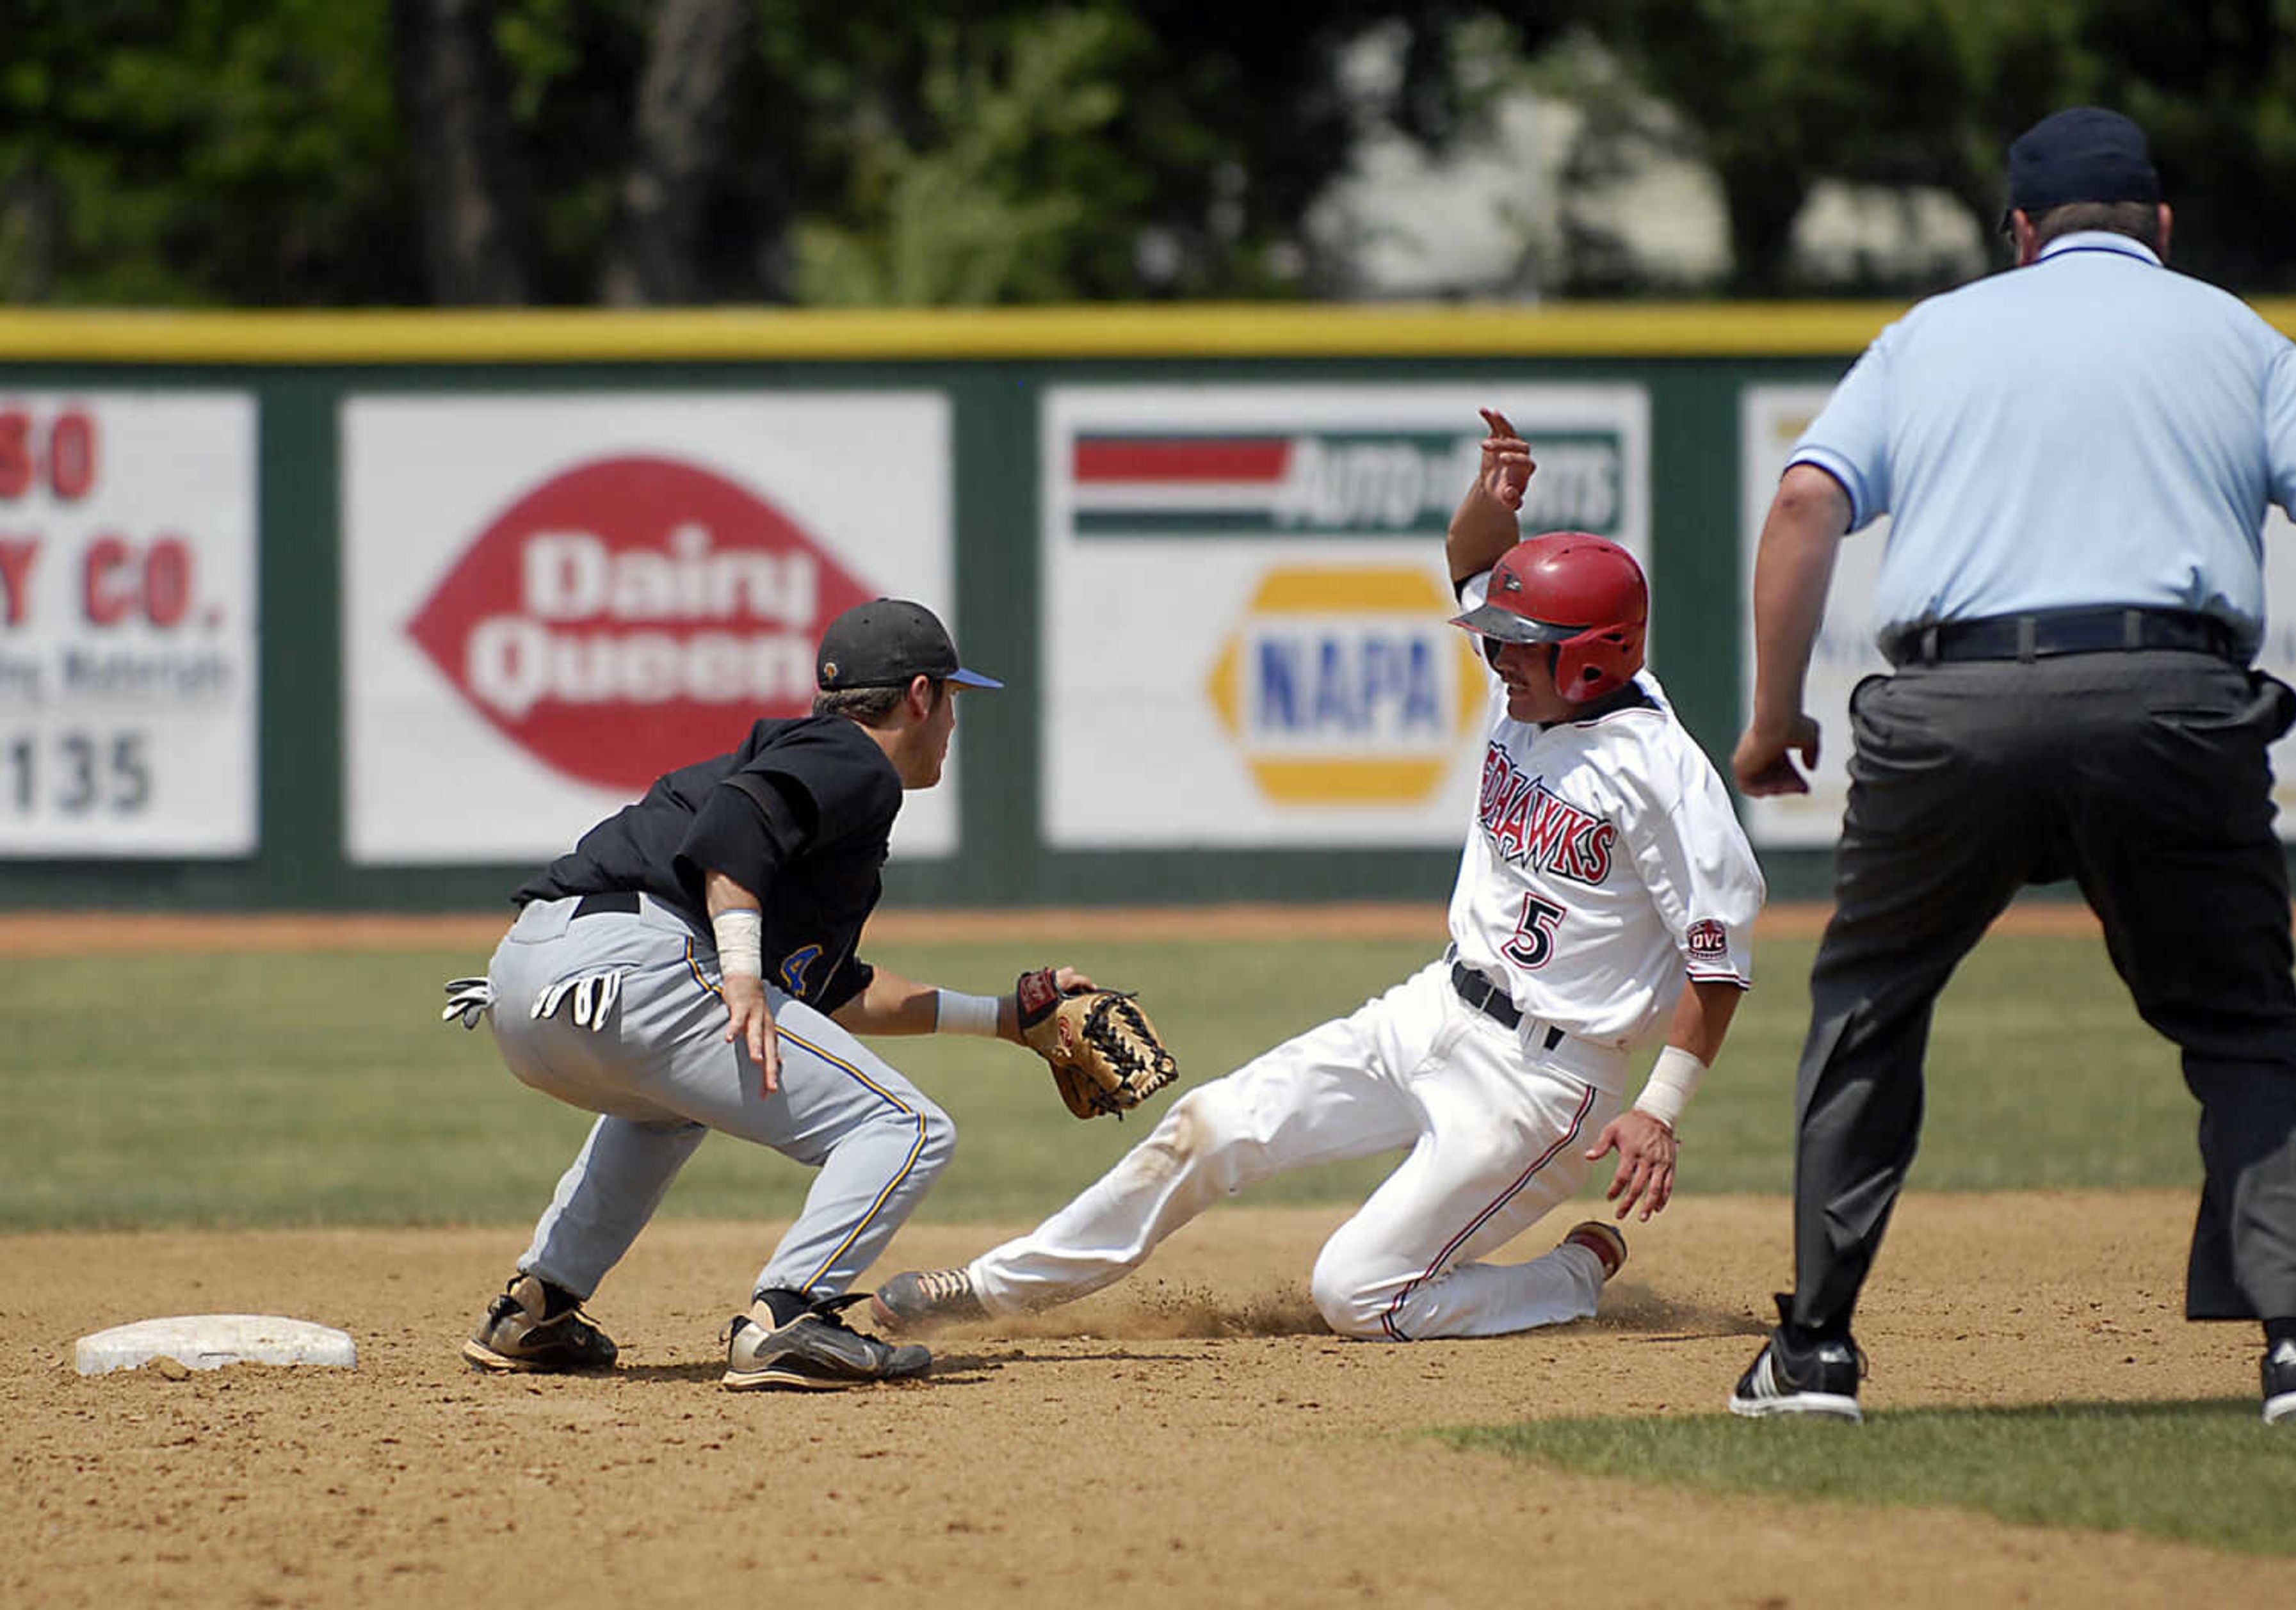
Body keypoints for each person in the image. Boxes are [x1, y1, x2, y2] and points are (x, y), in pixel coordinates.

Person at [1727, 106, 2296, 1423]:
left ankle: (1816, 1351)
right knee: (2241, 1022)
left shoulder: (1933, 332)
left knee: (1871, 1006)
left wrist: (1772, 717)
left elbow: (1801, 504)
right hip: (2172, 700)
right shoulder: (2233, 330)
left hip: (1949, 707)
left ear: (2019, 233)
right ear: (2161, 228)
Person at [868, 410, 1766, 1342]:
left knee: (1360, 1293)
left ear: (1591, 656)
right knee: (1211, 1123)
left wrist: (1659, 1109)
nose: (1497, 656)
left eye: (1519, 641)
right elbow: (1470, 557)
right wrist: (1491, 499)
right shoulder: (1535, 685)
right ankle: (990, 1288)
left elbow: (1720, 959)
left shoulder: (1661, 774)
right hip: (1435, 1007)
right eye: (1495, 637)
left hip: (1545, 1085)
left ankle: (1573, 1274)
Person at [449, 597, 1102, 1391]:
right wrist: (739, 970)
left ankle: (537, 1307)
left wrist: (1006, 1018)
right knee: (908, 1128)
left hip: (529, 980)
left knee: (672, 1103)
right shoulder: (852, 760)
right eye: (953, 702)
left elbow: (835, 991)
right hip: (638, 961)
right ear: (921, 696)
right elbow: (736, 830)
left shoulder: (816, 781)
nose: (952, 727)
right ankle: (790, 1317)